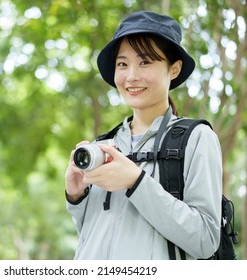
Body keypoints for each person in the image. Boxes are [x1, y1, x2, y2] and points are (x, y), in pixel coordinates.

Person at [65, 11, 222, 260]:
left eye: (145, 62)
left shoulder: (196, 138)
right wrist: (76, 197)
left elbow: (205, 239)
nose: (131, 76)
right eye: (123, 64)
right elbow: (91, 235)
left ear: (174, 69)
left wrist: (136, 182)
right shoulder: (104, 145)